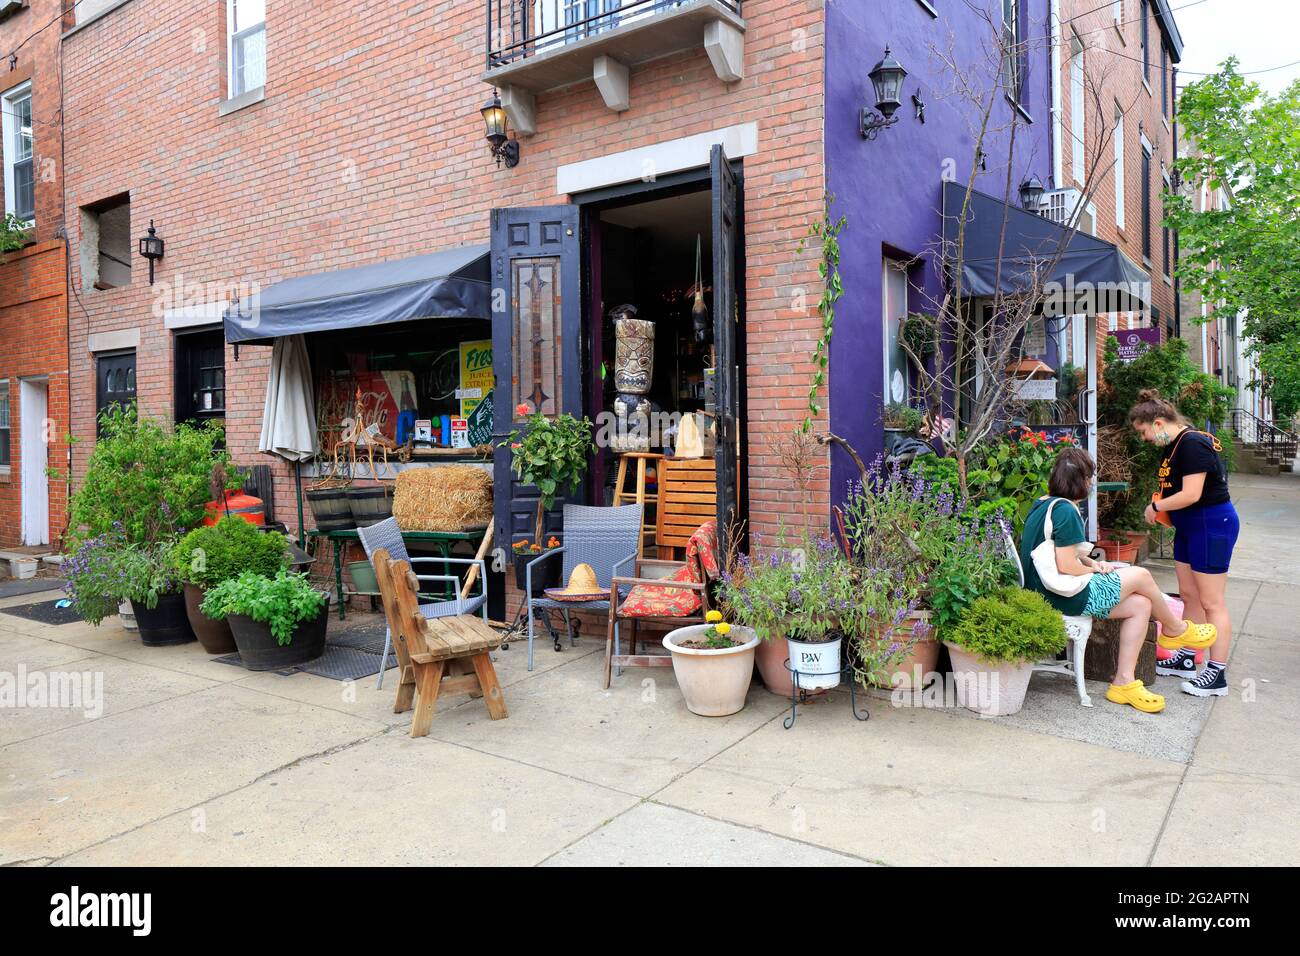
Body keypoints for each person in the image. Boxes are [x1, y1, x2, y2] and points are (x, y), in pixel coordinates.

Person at [1019, 447, 1217, 714]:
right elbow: (1065, 565)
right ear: (1081, 481)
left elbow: (1057, 554)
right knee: (1142, 575)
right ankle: (1173, 629)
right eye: (1089, 478)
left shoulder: (1043, 503)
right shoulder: (1066, 511)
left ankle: (1123, 682)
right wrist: (1094, 572)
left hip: (1044, 589)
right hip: (1061, 596)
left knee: (1140, 606)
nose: (1091, 484)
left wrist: (1092, 563)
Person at [1129, 390, 1239, 697]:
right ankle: (1189, 655)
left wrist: (1157, 507)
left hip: (1212, 525)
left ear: (1159, 422)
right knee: (1190, 595)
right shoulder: (1174, 446)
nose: (1144, 438)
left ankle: (1216, 674)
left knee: (1211, 601)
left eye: (1143, 431)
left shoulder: (1192, 443)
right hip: (1190, 527)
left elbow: (1191, 494)